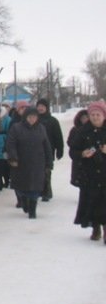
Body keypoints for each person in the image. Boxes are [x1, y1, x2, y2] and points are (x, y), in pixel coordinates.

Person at [5, 107, 53, 219]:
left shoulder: (41, 128)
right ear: (25, 117)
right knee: (21, 187)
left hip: (37, 163)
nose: (32, 119)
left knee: (35, 188)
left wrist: (49, 162)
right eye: (30, 117)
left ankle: (32, 210)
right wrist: (13, 158)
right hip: (21, 163)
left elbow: (47, 146)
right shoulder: (16, 128)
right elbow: (10, 144)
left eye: (34, 117)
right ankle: (23, 201)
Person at [70, 101, 106, 243]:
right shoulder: (83, 131)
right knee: (92, 202)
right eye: (93, 115)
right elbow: (73, 151)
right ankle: (95, 227)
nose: (95, 117)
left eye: (98, 115)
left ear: (103, 116)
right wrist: (82, 154)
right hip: (89, 174)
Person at [36, 98, 64, 201]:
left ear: (46, 108)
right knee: (38, 172)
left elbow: (58, 137)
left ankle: (47, 192)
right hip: (36, 151)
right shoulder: (34, 119)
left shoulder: (53, 121)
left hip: (49, 150)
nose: (40, 108)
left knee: (47, 171)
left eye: (42, 106)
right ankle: (38, 190)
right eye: (39, 106)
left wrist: (60, 150)